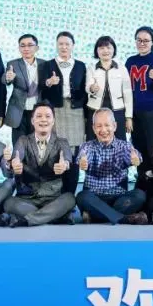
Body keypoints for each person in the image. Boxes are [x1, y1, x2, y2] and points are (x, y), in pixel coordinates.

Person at [0, 103, 76, 227]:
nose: (43, 119)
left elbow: (67, 160)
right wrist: (12, 164)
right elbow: (15, 161)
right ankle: (55, 216)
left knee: (70, 198)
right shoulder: (23, 141)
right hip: (27, 199)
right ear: (32, 121)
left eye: (47, 116)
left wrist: (64, 165)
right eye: (39, 116)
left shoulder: (62, 142)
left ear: (53, 121)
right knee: (9, 203)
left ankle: (27, 220)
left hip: (53, 198)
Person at [75, 109, 148, 224]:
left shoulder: (124, 146)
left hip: (118, 198)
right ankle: (123, 218)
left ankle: (98, 216)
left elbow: (132, 154)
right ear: (93, 128)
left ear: (114, 126)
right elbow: (83, 155)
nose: (103, 130)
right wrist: (83, 161)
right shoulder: (87, 146)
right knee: (82, 197)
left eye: (107, 125)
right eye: (99, 126)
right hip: (94, 197)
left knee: (139, 195)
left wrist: (135, 158)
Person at [38, 31, 88, 193]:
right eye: (61, 44)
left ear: (73, 46)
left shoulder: (81, 65)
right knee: (55, 150)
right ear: (56, 45)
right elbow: (40, 88)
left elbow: (85, 91)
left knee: (74, 153)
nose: (64, 47)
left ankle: (70, 193)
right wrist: (48, 82)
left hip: (76, 112)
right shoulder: (47, 65)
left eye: (67, 44)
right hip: (55, 111)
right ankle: (54, 194)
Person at [125, 26, 153, 183]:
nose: (142, 43)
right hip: (135, 112)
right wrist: (127, 115)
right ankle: (142, 181)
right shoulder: (130, 61)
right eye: (139, 40)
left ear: (152, 42)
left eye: (146, 40)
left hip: (152, 112)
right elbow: (126, 89)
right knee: (138, 147)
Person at [85, 36, 133, 141]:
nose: (105, 51)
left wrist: (128, 117)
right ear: (97, 51)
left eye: (108, 47)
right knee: (93, 141)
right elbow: (88, 86)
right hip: (95, 109)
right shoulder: (91, 68)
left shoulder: (121, 68)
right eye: (101, 48)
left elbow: (128, 93)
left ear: (113, 49)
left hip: (117, 111)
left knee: (120, 141)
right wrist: (92, 88)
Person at [3, 34, 45, 144]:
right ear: (19, 48)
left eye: (30, 45)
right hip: (18, 112)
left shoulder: (44, 64)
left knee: (37, 146)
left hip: (38, 112)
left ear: (37, 48)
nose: (26, 48)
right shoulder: (13, 64)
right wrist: (8, 78)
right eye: (22, 45)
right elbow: (5, 79)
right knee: (19, 146)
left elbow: (47, 86)